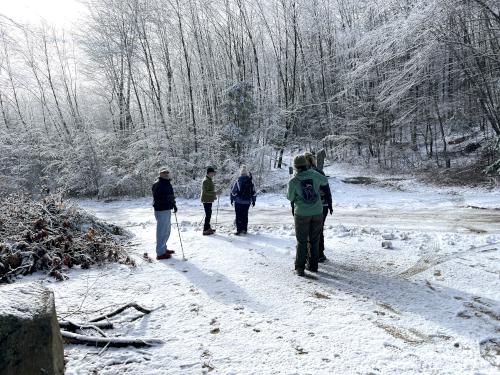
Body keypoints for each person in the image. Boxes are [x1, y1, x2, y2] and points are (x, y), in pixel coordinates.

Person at [287, 155, 329, 277]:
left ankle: (300, 268)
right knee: (315, 240)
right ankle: (313, 265)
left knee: (302, 241)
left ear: (295, 167)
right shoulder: (314, 174)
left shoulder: (294, 181)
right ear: (306, 164)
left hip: (301, 214)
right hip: (317, 212)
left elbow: (290, 197)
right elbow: (325, 181)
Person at [304, 152, 333, 262]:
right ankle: (320, 254)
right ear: (313, 160)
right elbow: (327, 190)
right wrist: (330, 204)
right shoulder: (319, 172)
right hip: (322, 205)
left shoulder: (302, 174)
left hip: (307, 206)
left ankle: (309, 254)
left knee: (307, 230)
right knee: (319, 230)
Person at [152, 168, 178, 260]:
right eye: (163, 173)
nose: (166, 174)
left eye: (167, 172)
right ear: (160, 174)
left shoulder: (167, 183)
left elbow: (171, 195)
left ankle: (163, 248)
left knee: (167, 230)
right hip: (161, 210)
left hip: (167, 209)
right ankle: (160, 253)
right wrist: (168, 199)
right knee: (161, 231)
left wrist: (173, 204)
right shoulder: (157, 184)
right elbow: (157, 198)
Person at [230, 165, 256, 235]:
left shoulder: (238, 181)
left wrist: (232, 199)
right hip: (247, 202)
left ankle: (239, 230)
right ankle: (244, 229)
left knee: (239, 216)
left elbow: (233, 191)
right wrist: (253, 201)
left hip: (238, 201)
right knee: (245, 215)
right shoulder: (251, 181)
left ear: (240, 173)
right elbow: (254, 192)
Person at [201, 166, 217, 235]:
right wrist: (215, 193)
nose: (214, 174)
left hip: (208, 200)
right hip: (206, 200)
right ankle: (205, 230)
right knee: (208, 215)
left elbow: (210, 190)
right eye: (213, 173)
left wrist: (214, 196)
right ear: (209, 173)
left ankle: (208, 228)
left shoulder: (209, 179)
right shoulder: (206, 181)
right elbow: (206, 192)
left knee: (209, 214)